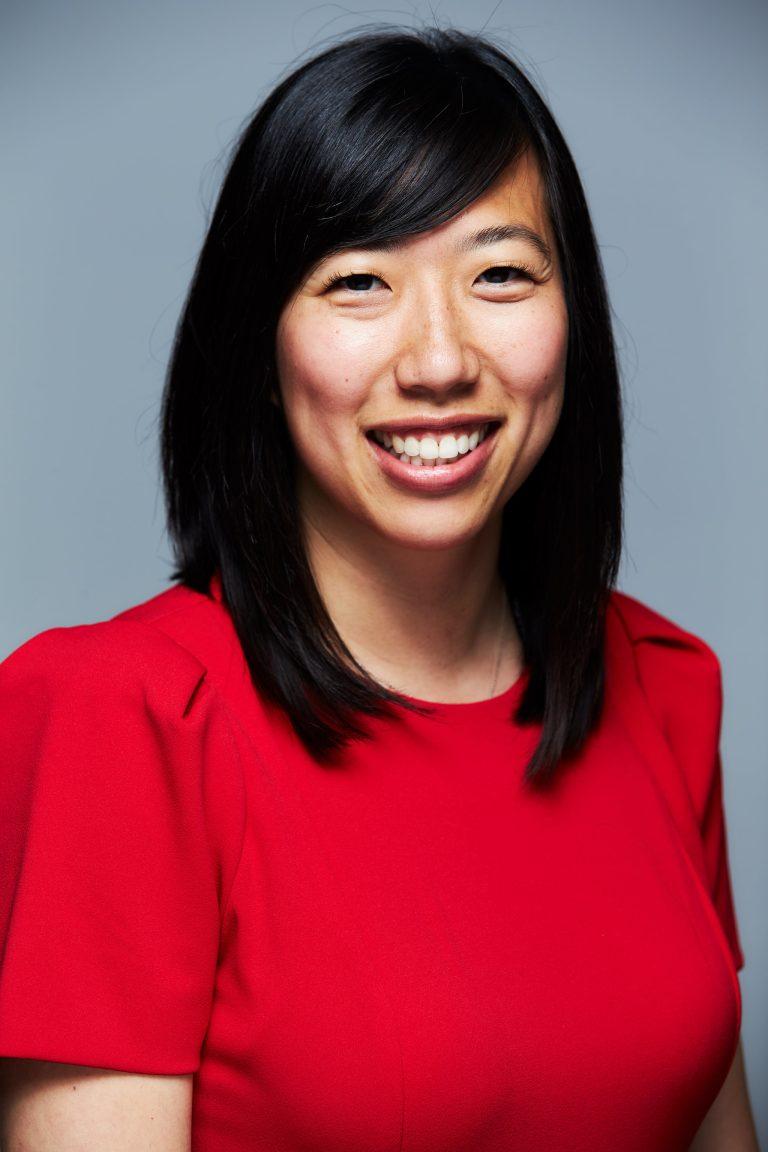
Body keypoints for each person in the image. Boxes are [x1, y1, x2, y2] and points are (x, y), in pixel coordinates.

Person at [0, 22, 758, 1152]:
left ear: (575, 318)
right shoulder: (127, 719)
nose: (440, 360)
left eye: (500, 275)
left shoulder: (662, 686)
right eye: (359, 282)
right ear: (259, 349)